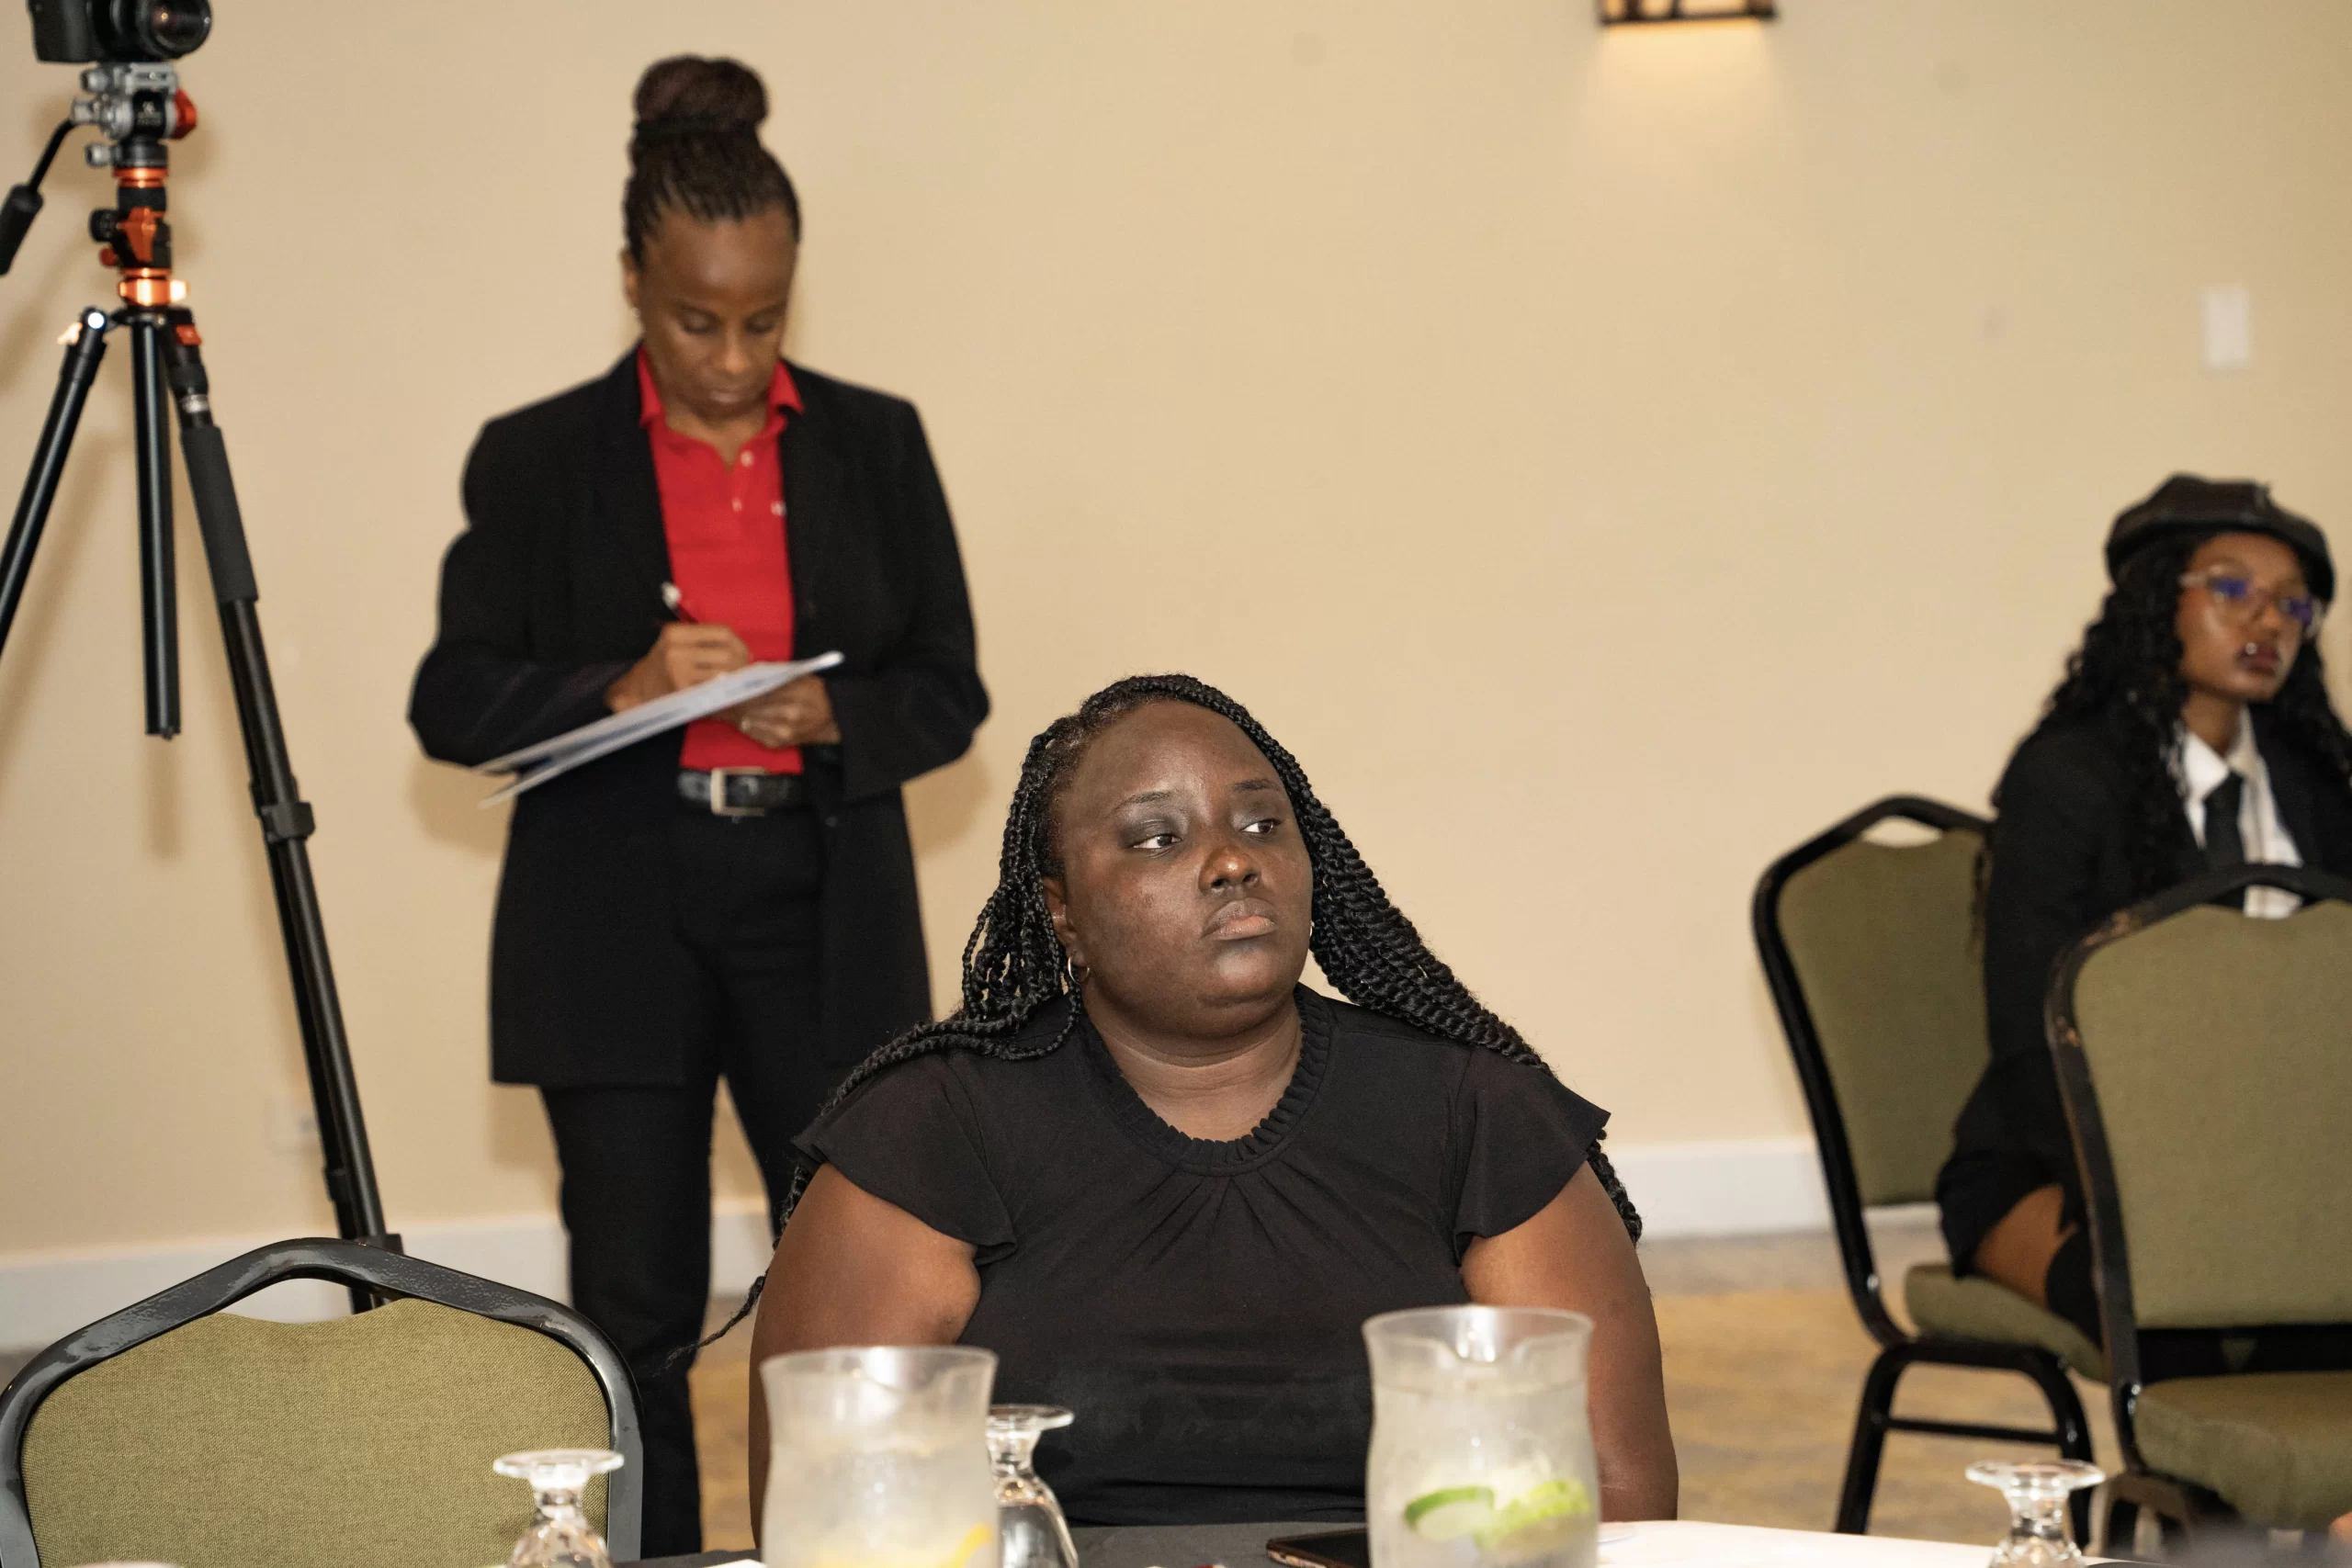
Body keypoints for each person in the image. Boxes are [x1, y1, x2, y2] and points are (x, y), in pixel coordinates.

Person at [409, 56, 986, 1552]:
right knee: (634, 1301)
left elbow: (951, 685)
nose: (731, 358)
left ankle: (847, 1548)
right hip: (617, 910)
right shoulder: (536, 458)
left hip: (822, 903)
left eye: (764, 318)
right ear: (631, 282)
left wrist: (837, 715)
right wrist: (619, 684)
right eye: (693, 320)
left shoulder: (876, 441)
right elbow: (450, 698)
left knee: (856, 1279)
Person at [745, 674, 1677, 1528]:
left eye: (1264, 825)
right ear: (1062, 911)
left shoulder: (1473, 1110)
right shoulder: (930, 1130)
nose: (1232, 860)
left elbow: (1616, 1495)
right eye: (1159, 837)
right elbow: (833, 1518)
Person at [1939, 475, 2352, 1369]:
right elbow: (2028, 1030)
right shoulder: (2067, 778)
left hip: (2279, 1168)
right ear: (2157, 598)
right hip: (2067, 1163)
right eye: (2233, 587)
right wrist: (2170, 1190)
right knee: (2181, 1315)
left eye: (2292, 603)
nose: (2268, 620)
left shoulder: (2320, 785)